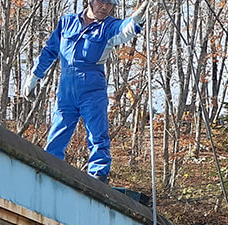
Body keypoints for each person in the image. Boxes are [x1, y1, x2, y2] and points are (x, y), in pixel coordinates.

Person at [23, 0, 150, 182]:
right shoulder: (67, 22)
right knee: (58, 131)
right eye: (101, 1)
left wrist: (135, 20)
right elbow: (50, 50)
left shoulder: (108, 26)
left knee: (97, 132)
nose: (105, 7)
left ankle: (98, 175)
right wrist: (34, 75)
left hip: (92, 88)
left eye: (110, 4)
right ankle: (51, 168)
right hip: (66, 88)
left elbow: (124, 31)